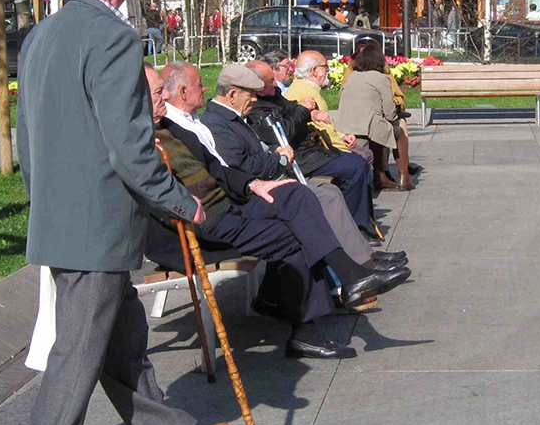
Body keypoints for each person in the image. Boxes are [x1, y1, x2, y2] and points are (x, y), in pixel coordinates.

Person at [13, 0, 232, 425]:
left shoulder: (42, 35)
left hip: (65, 219)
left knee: (121, 338)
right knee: (78, 351)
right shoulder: (113, 38)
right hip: (97, 224)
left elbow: (26, 139)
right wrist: (181, 201)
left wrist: (48, 205)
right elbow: (131, 149)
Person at [148, 63, 410, 357]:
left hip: (224, 209)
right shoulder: (146, 140)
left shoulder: (170, 128)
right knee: (296, 232)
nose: (165, 97)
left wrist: (252, 185)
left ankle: (348, 279)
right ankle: (310, 320)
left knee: (296, 195)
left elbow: (218, 172)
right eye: (159, 92)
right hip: (197, 230)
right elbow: (156, 194)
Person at [162, 61, 406, 272]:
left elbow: (239, 160)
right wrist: (276, 158)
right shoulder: (215, 122)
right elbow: (235, 166)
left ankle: (360, 259)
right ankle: (351, 268)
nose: (257, 97)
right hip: (240, 199)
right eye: (252, 92)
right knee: (317, 197)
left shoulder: (221, 118)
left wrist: (286, 144)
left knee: (333, 186)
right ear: (234, 94)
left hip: (261, 183)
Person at [208, 58, 377, 240]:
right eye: (269, 82)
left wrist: (308, 114)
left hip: (298, 155)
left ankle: (357, 237)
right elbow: (281, 133)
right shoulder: (246, 111)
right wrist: (302, 112)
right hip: (296, 161)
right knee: (351, 171)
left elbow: (288, 114)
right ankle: (356, 234)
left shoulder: (269, 97)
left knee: (354, 166)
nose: (276, 84)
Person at [333, 43, 415, 192]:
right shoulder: (381, 78)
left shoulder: (352, 77)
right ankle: (404, 178)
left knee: (379, 130)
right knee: (398, 132)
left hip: (345, 128)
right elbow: (390, 113)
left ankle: (380, 176)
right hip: (367, 128)